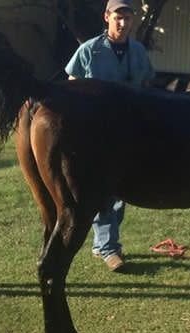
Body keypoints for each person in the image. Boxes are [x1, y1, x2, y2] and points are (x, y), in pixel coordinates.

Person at [65, 0, 155, 272]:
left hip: (129, 132)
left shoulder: (138, 52)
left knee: (121, 191)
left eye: (128, 18)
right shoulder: (89, 51)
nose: (123, 23)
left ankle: (100, 244)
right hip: (96, 133)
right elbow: (72, 87)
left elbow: (146, 85)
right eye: (118, 17)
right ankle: (109, 249)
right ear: (106, 17)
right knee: (103, 192)